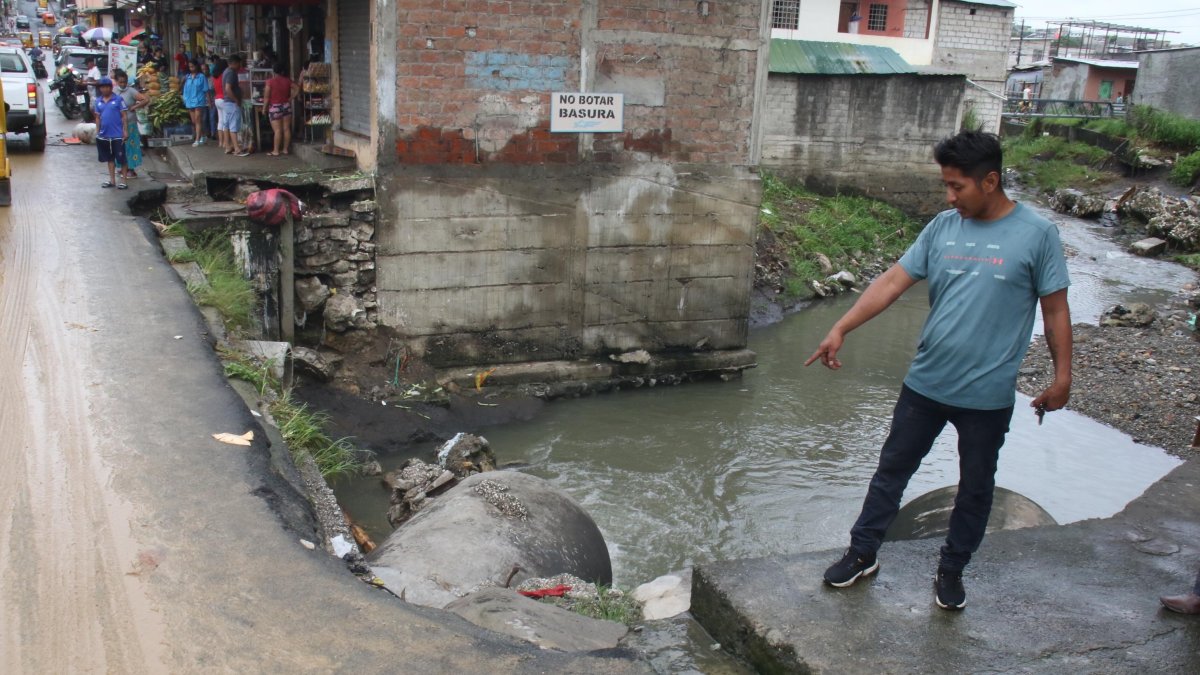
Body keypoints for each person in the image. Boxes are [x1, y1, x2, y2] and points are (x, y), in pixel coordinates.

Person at [807, 131, 1072, 611]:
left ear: (990, 180)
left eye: (957, 186)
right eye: (946, 186)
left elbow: (1055, 310)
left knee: (975, 487)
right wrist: (840, 327)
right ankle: (862, 553)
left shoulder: (1037, 235)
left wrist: (1062, 378)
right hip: (925, 384)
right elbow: (892, 281)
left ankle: (952, 570)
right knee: (891, 473)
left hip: (987, 396)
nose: (949, 197)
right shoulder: (943, 228)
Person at [93, 77, 128, 189]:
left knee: (121, 158)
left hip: (117, 135)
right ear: (100, 89)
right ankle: (112, 181)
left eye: (107, 87)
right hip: (104, 135)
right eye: (102, 87)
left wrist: (125, 131)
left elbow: (124, 116)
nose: (105, 89)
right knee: (110, 158)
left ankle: (123, 181)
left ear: (111, 88)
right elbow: (98, 118)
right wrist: (98, 132)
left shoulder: (118, 99)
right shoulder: (98, 101)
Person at [113, 70, 147, 180]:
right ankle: (121, 167)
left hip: (130, 123)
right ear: (117, 81)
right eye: (121, 82)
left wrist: (133, 107)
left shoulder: (131, 91)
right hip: (118, 124)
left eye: (125, 82)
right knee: (120, 146)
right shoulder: (114, 91)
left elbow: (145, 99)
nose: (123, 84)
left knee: (131, 146)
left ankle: (131, 169)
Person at [261, 62, 298, 156]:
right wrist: (290, 98)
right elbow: (297, 88)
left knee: (277, 130)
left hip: (275, 107)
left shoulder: (270, 81)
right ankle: (285, 149)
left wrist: (264, 108)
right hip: (286, 106)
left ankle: (276, 151)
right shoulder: (287, 80)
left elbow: (266, 97)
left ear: (274, 71)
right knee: (286, 129)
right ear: (282, 71)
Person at [219, 54, 248, 156]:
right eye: (239, 63)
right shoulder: (231, 73)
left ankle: (228, 147)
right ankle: (237, 148)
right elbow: (228, 88)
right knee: (233, 126)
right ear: (235, 63)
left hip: (227, 102)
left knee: (226, 125)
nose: (240, 66)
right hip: (231, 103)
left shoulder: (226, 71)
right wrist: (236, 100)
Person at [181, 59, 210, 146]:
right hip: (189, 101)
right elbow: (185, 90)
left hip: (199, 100)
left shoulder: (201, 77)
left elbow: (206, 90)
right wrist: (184, 99)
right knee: (194, 121)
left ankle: (197, 139)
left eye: (192, 66)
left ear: (196, 66)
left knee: (197, 119)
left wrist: (209, 101)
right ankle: (203, 135)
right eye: (190, 67)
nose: (191, 68)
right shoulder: (188, 77)